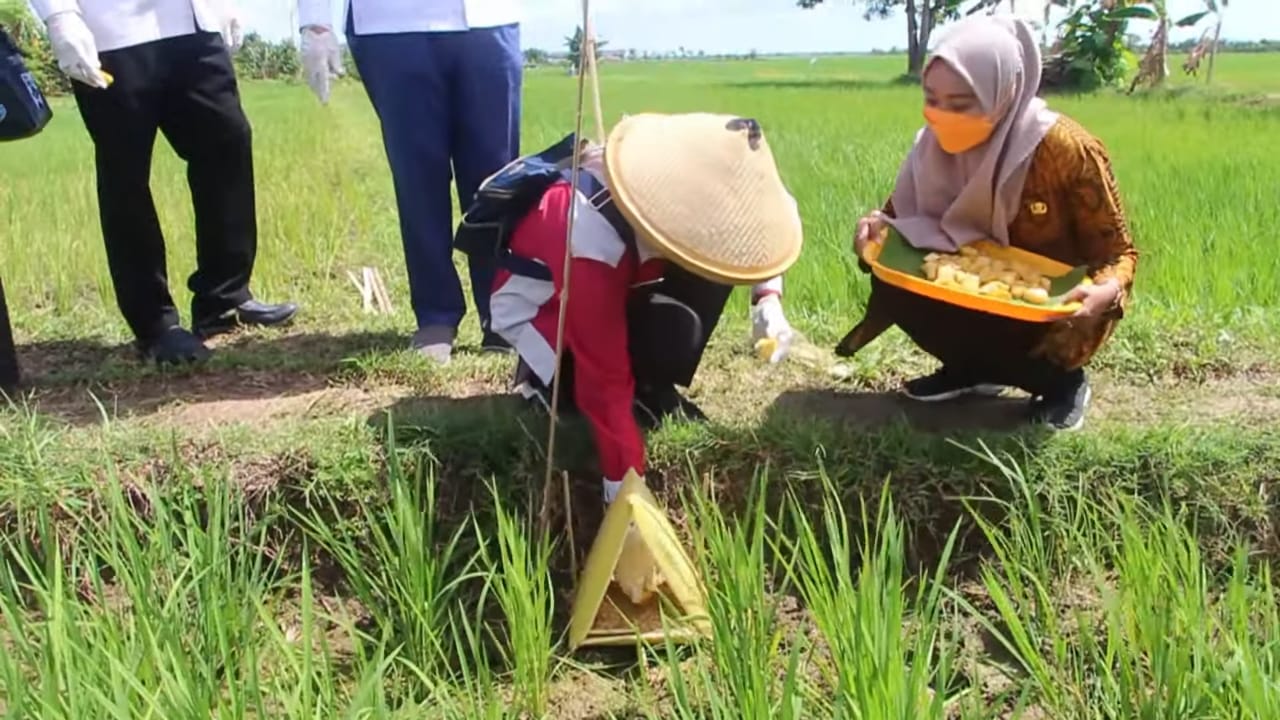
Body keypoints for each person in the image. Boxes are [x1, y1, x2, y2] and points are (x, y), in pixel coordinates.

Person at [466, 113, 800, 505]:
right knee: (593, 391)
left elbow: (767, 212)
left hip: (622, 275)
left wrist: (767, 299)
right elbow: (603, 379)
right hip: (550, 313)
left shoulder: (685, 178)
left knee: (705, 277)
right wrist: (625, 489)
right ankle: (550, 383)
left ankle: (651, 387)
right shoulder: (585, 233)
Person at [838, 14, 1138, 432]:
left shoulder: (1064, 149)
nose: (941, 115)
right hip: (972, 294)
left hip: (1046, 309)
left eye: (961, 103)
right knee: (891, 278)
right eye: (932, 98)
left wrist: (1106, 291)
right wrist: (873, 233)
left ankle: (1061, 384)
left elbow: (1117, 252)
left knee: (1050, 325)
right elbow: (899, 221)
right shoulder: (931, 146)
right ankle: (970, 369)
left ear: (1006, 92)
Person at [33, 0, 297, 365]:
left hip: (193, 25)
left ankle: (223, 298)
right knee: (126, 174)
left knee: (228, 142)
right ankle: (155, 325)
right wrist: (59, 15)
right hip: (110, 34)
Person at [297, 0, 523, 364]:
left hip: (488, 19)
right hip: (392, 23)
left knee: (496, 178)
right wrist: (316, 22)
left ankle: (502, 314)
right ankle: (435, 314)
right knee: (417, 176)